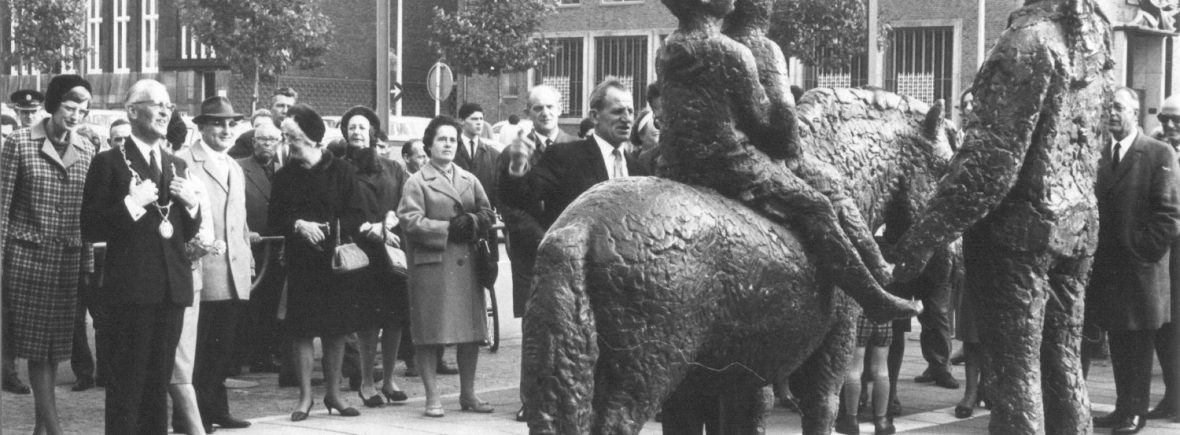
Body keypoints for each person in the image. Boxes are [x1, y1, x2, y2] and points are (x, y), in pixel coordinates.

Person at [890, 1, 1116, 432]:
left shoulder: (1029, 40)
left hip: (1018, 236)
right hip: (1076, 226)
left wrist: (918, 242)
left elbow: (988, 167)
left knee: (1016, 376)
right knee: (1063, 365)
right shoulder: (1093, 40)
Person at [82, 79, 204, 434]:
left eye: (169, 105)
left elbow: (184, 230)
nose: (166, 111)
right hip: (132, 291)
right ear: (133, 111)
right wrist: (131, 203)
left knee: (158, 385)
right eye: (156, 103)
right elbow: (90, 227)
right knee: (127, 385)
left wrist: (193, 206)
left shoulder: (175, 164)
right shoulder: (109, 163)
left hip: (171, 290)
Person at [0, 74, 94, 435]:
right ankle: (53, 428)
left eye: (82, 110)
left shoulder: (87, 149)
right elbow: (3, 206)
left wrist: (86, 261)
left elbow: (86, 213)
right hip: (27, 259)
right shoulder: (19, 143)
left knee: (56, 348)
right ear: (54, 104)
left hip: (68, 260)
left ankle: (42, 430)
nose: (75, 115)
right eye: (70, 107)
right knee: (38, 348)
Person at [1088, 87, 1180, 434]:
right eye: (1108, 107)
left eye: (1118, 107)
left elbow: (1169, 215)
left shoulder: (1158, 153)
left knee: (1140, 345)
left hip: (1142, 271)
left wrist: (1143, 251)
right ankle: (1122, 406)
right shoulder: (1102, 155)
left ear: (1135, 112)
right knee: (1118, 341)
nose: (1111, 113)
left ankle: (1136, 413)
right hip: (1111, 272)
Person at [268, 103, 363, 421]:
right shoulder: (284, 177)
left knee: (336, 331)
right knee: (302, 331)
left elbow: (357, 214)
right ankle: (305, 397)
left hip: (335, 263)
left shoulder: (344, 172)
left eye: (291, 137)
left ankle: (334, 395)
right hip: (301, 263)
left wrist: (331, 229)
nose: (287, 143)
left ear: (310, 137)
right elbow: (275, 219)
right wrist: (298, 225)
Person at [398, 115, 497, 418]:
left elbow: (488, 212)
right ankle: (432, 397)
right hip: (433, 266)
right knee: (430, 333)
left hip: (466, 265)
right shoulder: (416, 182)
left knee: (470, 332)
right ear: (428, 144)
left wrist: (475, 221)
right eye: (442, 139)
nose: (448, 144)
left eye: (453, 139)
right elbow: (409, 221)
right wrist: (446, 228)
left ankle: (468, 394)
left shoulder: (469, 178)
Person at [497, 84, 577, 422]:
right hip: (532, 251)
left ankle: (566, 396)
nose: (545, 113)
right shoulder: (513, 152)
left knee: (571, 325)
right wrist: (543, 238)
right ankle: (531, 400)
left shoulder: (576, 149)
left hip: (571, 250)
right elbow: (507, 205)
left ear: (560, 108)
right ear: (528, 113)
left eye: (550, 107)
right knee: (535, 329)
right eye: (537, 108)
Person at [175, 96, 255, 430]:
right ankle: (192, 417)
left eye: (231, 123)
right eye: (217, 123)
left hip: (233, 272)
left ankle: (216, 409)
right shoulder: (183, 161)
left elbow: (242, 222)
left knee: (222, 349)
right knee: (197, 350)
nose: (225, 130)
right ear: (201, 126)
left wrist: (248, 261)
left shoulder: (233, 166)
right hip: (202, 270)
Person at [337, 105, 412, 408]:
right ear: (345, 132)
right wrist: (367, 227)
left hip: (392, 249)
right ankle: (367, 382)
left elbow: (406, 200)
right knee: (367, 319)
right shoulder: (339, 167)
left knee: (395, 317)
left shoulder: (393, 167)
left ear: (372, 132)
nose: (356, 131)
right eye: (351, 127)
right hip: (361, 251)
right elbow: (337, 207)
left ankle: (389, 380)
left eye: (362, 127)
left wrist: (392, 219)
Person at [70, 120, 133, 393]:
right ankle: (84, 371)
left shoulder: (122, 170)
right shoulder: (91, 168)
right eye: (116, 139)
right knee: (75, 316)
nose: (121, 145)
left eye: (125, 140)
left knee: (104, 314)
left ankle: (106, 371)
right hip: (79, 247)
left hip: (106, 253)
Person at [236, 121, 285, 378]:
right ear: (253, 142)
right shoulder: (240, 168)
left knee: (271, 301)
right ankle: (244, 354)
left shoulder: (283, 170)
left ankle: (264, 355)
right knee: (249, 302)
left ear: (279, 143)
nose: (267, 144)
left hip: (276, 246)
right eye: (262, 139)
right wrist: (246, 230)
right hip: (251, 245)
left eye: (272, 140)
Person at [1148, 94, 1180, 421]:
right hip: (1164, 255)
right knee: (1166, 327)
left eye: (1177, 120)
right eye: (1164, 119)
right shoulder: (1158, 153)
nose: (1169, 125)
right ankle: (1173, 395)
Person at [836, 314, 895, 435]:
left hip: (859, 315)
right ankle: (882, 421)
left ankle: (850, 420)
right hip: (883, 314)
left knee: (854, 369)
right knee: (881, 369)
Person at [230, 87, 297, 159]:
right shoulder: (250, 137)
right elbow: (233, 164)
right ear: (270, 108)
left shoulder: (299, 139)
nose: (285, 111)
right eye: (280, 106)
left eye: (289, 107)